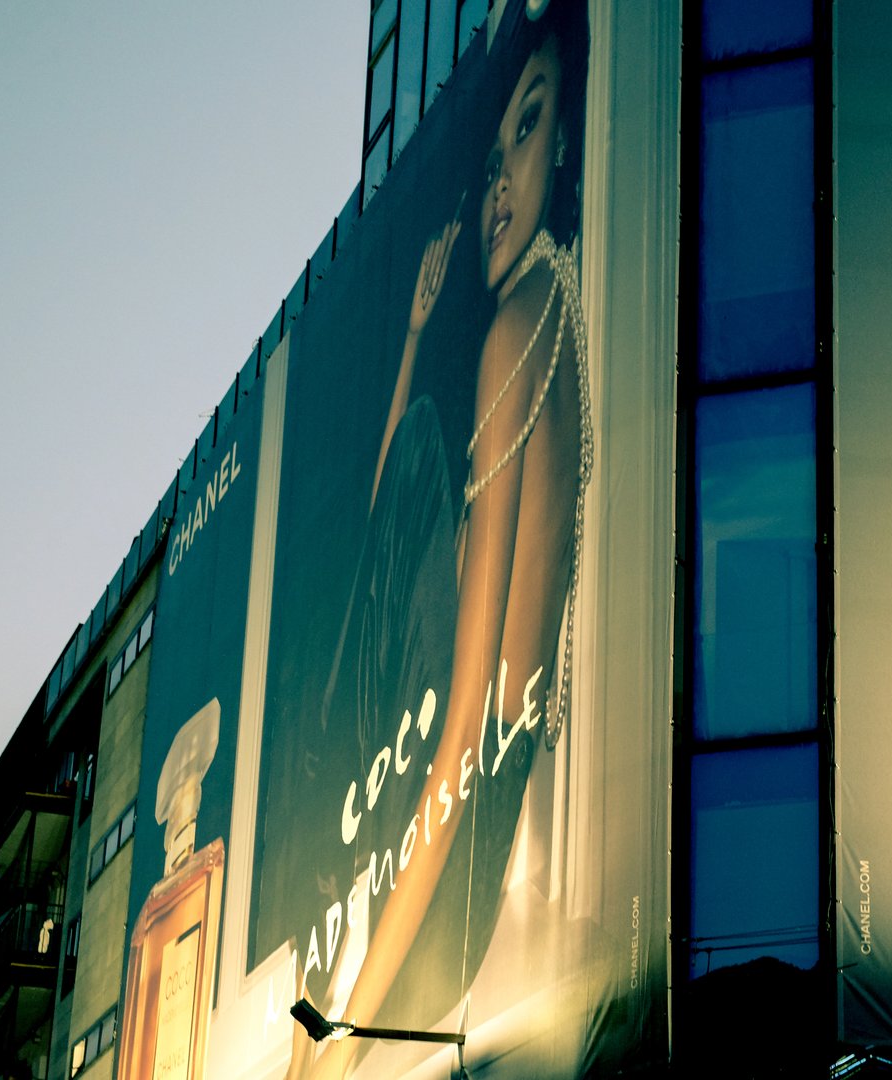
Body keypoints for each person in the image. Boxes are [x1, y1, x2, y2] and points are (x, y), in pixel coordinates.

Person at [288, 11, 588, 1077]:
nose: (500, 176)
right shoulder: (554, 311)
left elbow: (460, 743)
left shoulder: (518, 330)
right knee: (415, 442)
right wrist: (414, 341)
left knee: (417, 443)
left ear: (566, 143)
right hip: (483, 836)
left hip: (460, 857)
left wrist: (339, 1034)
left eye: (530, 129)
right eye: (493, 144)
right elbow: (392, 543)